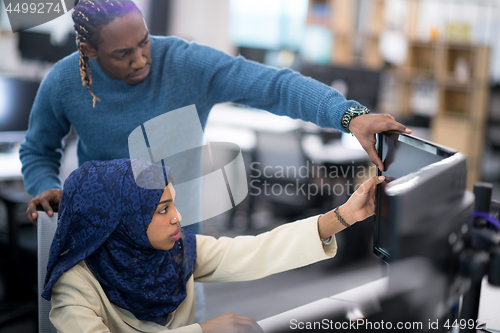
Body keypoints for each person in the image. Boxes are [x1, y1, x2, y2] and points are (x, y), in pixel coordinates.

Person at [21, 0, 410, 225]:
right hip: (101, 227)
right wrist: (43, 186)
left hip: (177, 231)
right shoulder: (63, 81)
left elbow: (275, 86)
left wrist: (348, 114)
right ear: (89, 51)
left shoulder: (185, 63)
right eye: (123, 54)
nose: (141, 60)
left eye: (144, 43)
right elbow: (38, 150)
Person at [43, 158, 385, 333]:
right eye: (163, 209)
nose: (178, 217)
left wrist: (344, 215)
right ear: (122, 222)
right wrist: (204, 330)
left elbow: (254, 251)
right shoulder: (75, 285)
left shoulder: (177, 252)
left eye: (174, 204)